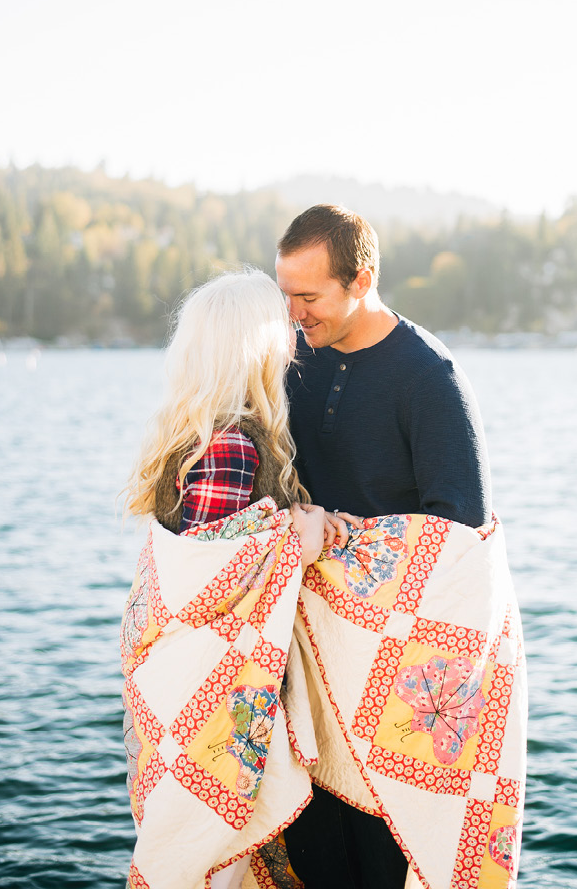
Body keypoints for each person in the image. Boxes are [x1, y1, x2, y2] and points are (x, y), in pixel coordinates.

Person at [276, 204, 492, 889]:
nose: (293, 311)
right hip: (301, 662)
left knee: (383, 858)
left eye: (308, 296)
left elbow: (460, 537)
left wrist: (346, 546)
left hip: (390, 682)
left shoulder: (428, 376)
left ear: (361, 278)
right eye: (285, 293)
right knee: (309, 852)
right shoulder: (289, 359)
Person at [123, 267, 350, 889]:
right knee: (217, 850)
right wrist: (296, 540)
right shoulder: (233, 448)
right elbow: (212, 576)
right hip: (209, 693)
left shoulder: (190, 436)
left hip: (174, 685)